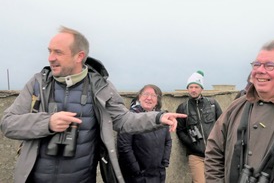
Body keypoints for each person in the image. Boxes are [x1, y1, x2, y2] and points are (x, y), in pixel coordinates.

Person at [0, 26, 186, 183]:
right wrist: (47, 123)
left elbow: (124, 120)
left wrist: (158, 117)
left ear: (79, 56)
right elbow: (8, 123)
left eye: (58, 52)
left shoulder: (100, 87)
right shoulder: (38, 83)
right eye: (49, 51)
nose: (50, 58)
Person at [205, 40, 274, 182]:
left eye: (269, 65)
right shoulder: (234, 109)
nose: (260, 70)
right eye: (257, 64)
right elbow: (213, 154)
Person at [117, 84, 172, 183]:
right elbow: (124, 146)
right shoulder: (131, 118)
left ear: (157, 100)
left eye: (153, 95)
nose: (149, 98)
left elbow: (168, 141)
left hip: (158, 173)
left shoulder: (161, 118)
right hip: (137, 176)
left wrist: (164, 162)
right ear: (139, 97)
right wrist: (136, 169)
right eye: (146, 94)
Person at [176, 70, 222, 183]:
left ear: (202, 89)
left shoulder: (212, 104)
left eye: (196, 87)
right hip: (196, 155)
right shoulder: (182, 107)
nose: (193, 90)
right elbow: (180, 130)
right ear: (187, 89)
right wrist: (192, 143)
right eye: (191, 87)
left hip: (214, 153)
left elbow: (222, 125)